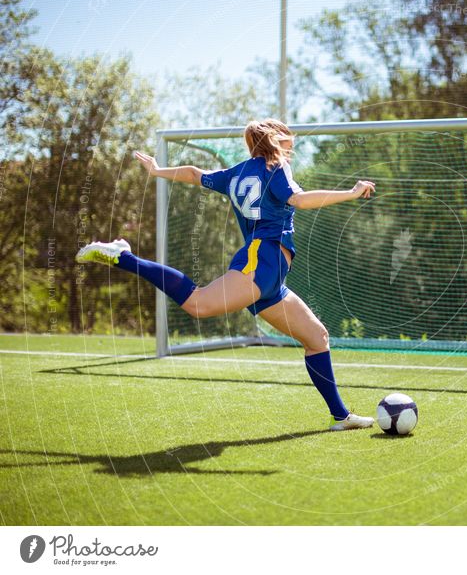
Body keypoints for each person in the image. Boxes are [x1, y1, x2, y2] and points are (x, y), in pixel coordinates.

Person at [76, 118, 376, 431]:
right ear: (276, 139)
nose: (293, 140)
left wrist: (158, 171)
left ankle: (341, 416)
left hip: (271, 276)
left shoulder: (236, 173)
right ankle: (124, 256)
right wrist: (351, 192)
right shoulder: (276, 167)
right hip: (262, 262)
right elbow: (299, 201)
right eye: (288, 136)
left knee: (317, 337)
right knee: (197, 304)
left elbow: (195, 174)